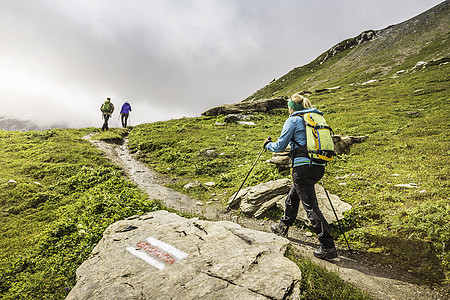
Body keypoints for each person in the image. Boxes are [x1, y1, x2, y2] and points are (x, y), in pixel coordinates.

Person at [263, 92, 337, 260]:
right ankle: (283, 227)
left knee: (311, 207)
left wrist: (268, 145)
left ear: (292, 107)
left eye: (288, 107)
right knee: (293, 196)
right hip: (318, 166)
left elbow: (280, 146)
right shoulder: (314, 119)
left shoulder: (294, 120)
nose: (288, 110)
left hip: (302, 168)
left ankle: (328, 246)